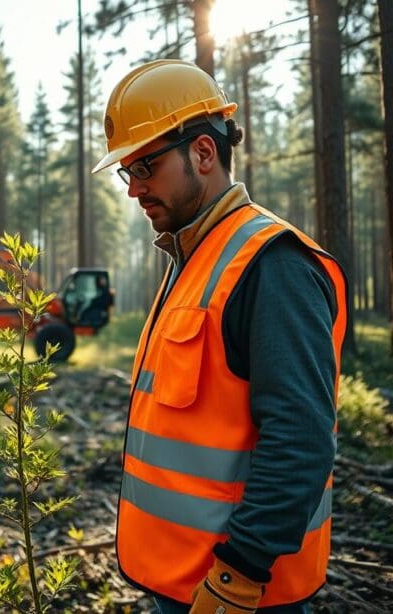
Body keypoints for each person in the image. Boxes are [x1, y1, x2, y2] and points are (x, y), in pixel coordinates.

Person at [91, 59, 347, 613]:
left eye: (145, 166)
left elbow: (301, 436)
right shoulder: (193, 256)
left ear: (203, 153)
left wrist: (239, 575)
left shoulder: (272, 265)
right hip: (183, 582)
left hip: (241, 595)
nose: (134, 189)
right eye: (126, 172)